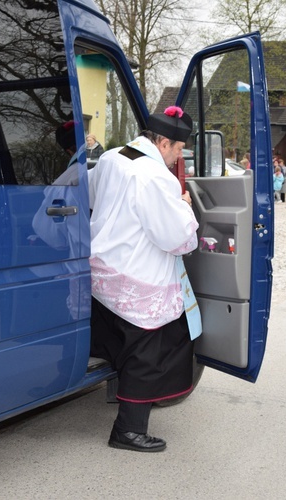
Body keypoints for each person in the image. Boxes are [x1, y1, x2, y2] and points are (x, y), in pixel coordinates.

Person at [87, 105, 200, 453]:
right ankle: (129, 431)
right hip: (139, 278)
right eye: (178, 149)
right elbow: (177, 238)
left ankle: (116, 397)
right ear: (164, 142)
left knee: (116, 341)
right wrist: (184, 205)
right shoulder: (155, 176)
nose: (177, 157)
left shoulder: (111, 157)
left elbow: (90, 197)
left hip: (103, 271)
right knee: (148, 354)